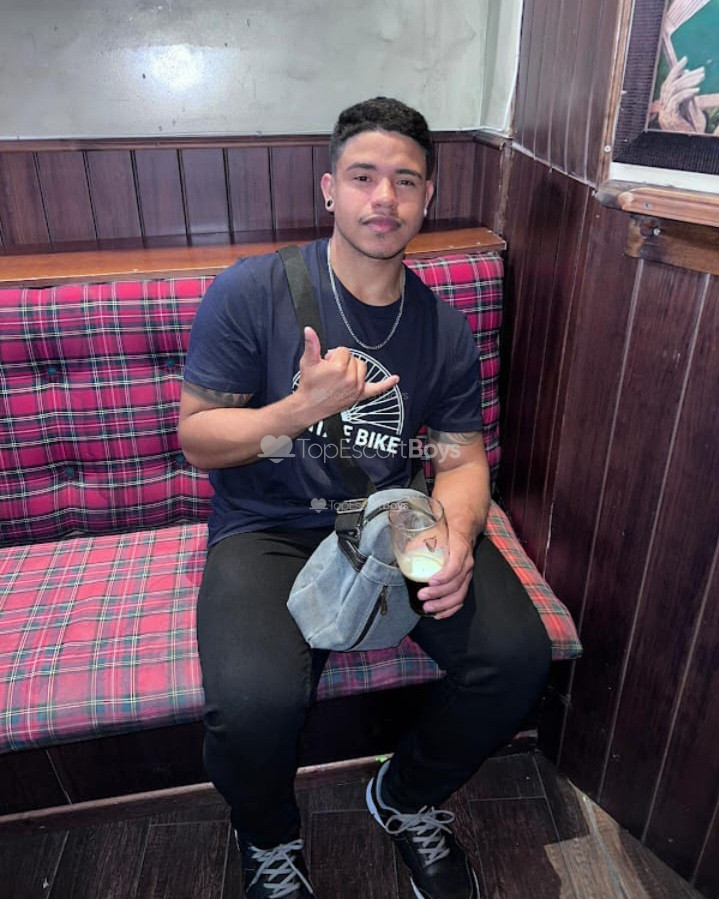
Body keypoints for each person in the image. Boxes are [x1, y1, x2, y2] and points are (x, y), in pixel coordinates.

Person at [178, 96, 551, 899]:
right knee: (253, 704)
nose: (383, 197)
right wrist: (293, 411)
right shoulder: (251, 291)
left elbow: (458, 457)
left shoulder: (442, 328)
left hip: (388, 517)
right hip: (266, 526)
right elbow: (197, 438)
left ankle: (405, 792)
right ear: (329, 189)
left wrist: (457, 535)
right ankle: (269, 837)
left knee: (515, 656)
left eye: (405, 180)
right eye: (362, 176)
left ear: (427, 198)